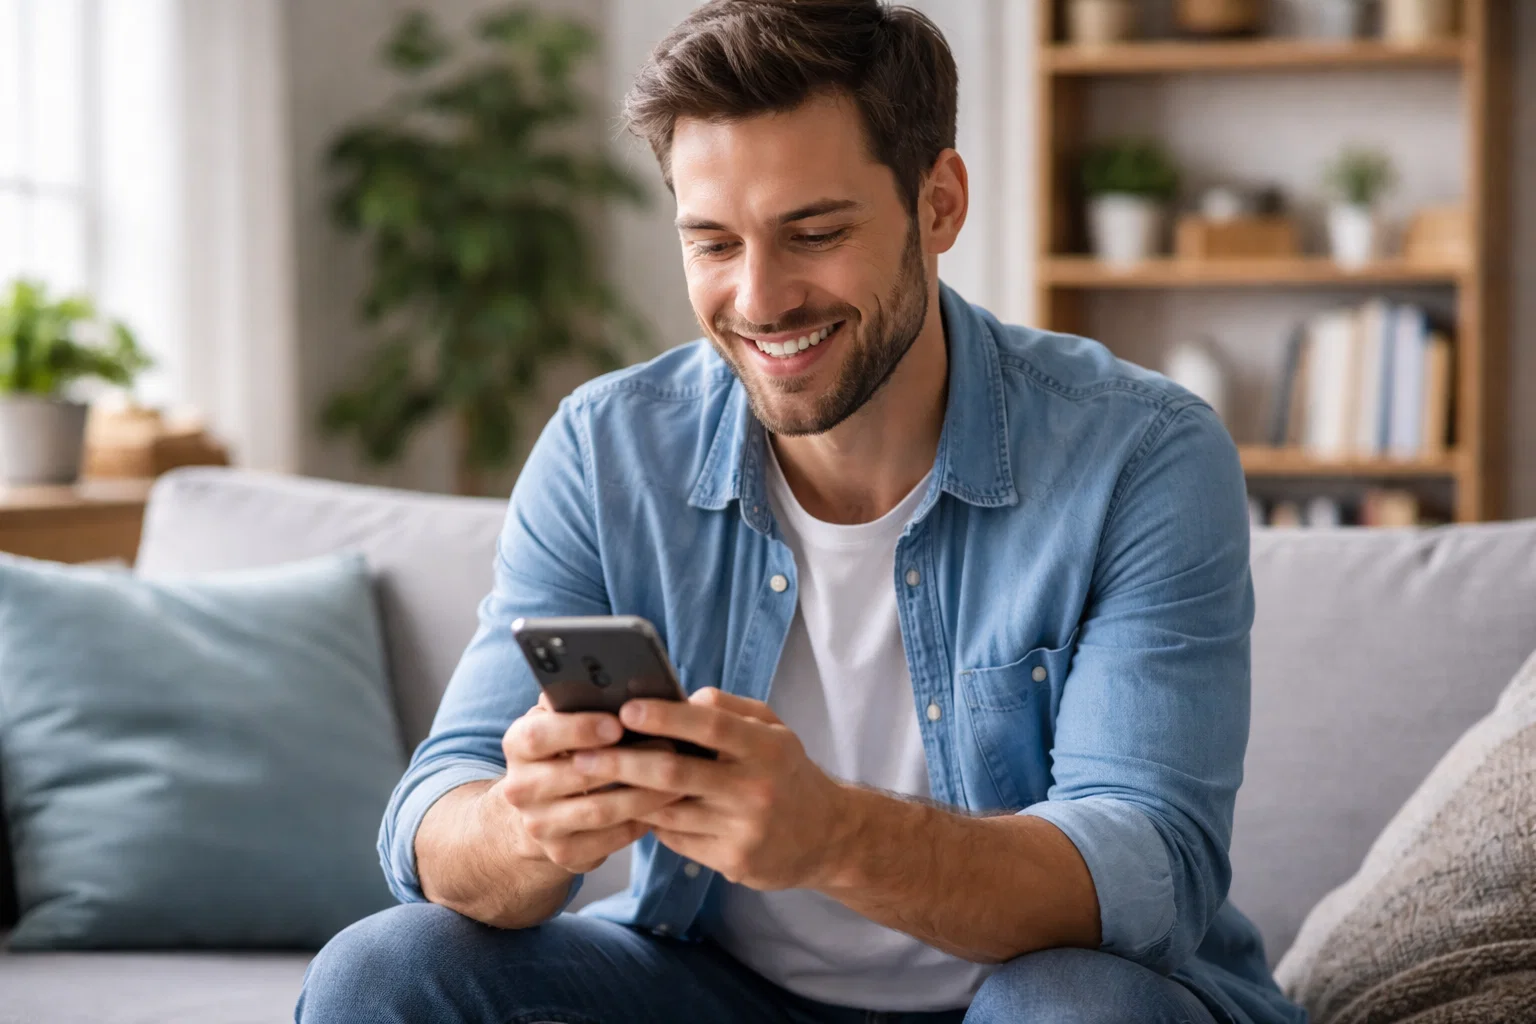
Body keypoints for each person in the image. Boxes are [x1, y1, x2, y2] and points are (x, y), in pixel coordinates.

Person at [297, 2, 1304, 1021]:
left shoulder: (1140, 453)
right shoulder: (607, 450)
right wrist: (527, 825)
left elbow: (1149, 865)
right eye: (713, 244)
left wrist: (832, 835)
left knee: (1086, 1011)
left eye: (813, 233)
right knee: (381, 973)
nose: (761, 298)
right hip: (724, 988)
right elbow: (435, 814)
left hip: (1032, 993)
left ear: (939, 203)